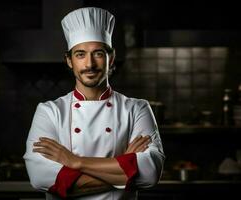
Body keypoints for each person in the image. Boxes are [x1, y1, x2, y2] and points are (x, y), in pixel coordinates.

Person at [23, 7, 165, 200]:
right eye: (80, 54)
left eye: (98, 53)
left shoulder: (136, 108)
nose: (89, 64)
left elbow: (149, 173)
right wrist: (125, 166)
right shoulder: (49, 112)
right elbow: (42, 179)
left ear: (111, 58)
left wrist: (75, 162)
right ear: (69, 61)